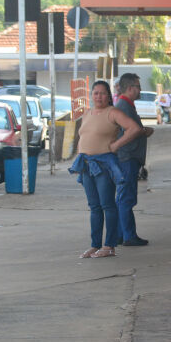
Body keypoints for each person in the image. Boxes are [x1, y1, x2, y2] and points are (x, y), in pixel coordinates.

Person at [69, 80, 142, 258]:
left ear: (108, 96)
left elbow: (134, 129)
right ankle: (95, 245)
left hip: (104, 165)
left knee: (107, 205)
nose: (99, 96)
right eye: (95, 93)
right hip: (86, 165)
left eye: (102, 93)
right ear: (91, 95)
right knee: (94, 206)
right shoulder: (87, 113)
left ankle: (109, 245)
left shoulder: (113, 112)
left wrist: (116, 144)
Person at [115, 73, 154, 247]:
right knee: (126, 198)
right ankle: (127, 235)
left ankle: (122, 234)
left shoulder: (127, 105)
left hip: (129, 157)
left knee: (125, 197)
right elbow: (131, 131)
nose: (140, 90)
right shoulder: (124, 106)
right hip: (127, 157)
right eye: (138, 86)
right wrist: (143, 131)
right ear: (130, 88)